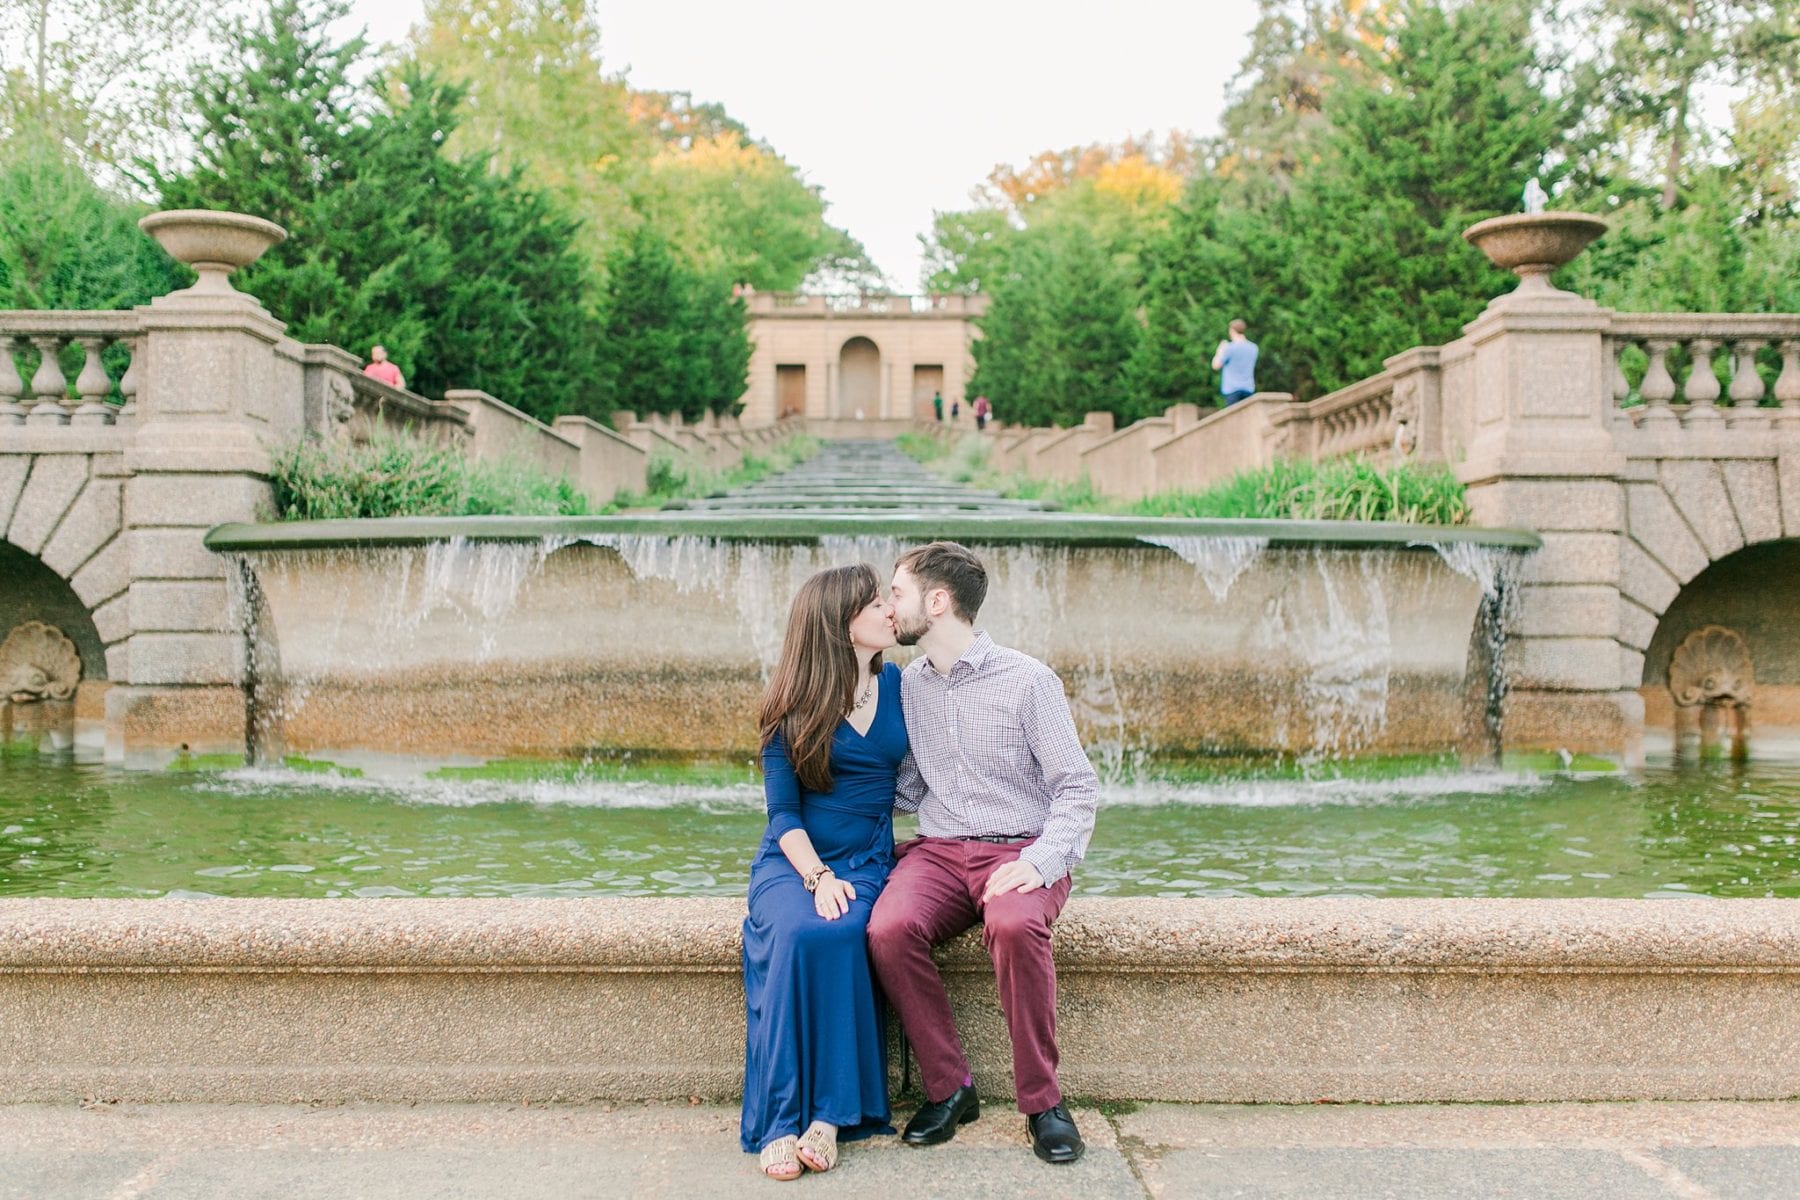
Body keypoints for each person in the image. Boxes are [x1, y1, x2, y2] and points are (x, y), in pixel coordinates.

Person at [868, 541, 1099, 1166]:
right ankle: (951, 1089)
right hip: (940, 851)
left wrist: (1040, 863)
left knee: (1015, 923)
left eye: (897, 593)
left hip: (1021, 847)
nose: (890, 606)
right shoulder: (907, 685)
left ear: (936, 602)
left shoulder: (1028, 681)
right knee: (887, 928)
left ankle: (1043, 1104)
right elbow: (912, 786)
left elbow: (1077, 789)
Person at [741, 564, 906, 1181]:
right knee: (792, 933)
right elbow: (783, 815)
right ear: (840, 626)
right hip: (795, 862)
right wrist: (816, 879)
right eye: (873, 605)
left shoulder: (901, 689)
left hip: (866, 860)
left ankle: (830, 1117)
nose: (889, 611)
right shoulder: (788, 707)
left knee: (837, 934)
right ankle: (780, 1120)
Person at [1211, 319, 1258, 405]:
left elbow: (1215, 365)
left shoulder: (1229, 348)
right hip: (1248, 388)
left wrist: (1219, 351)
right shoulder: (1254, 348)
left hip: (1232, 390)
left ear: (1232, 330)